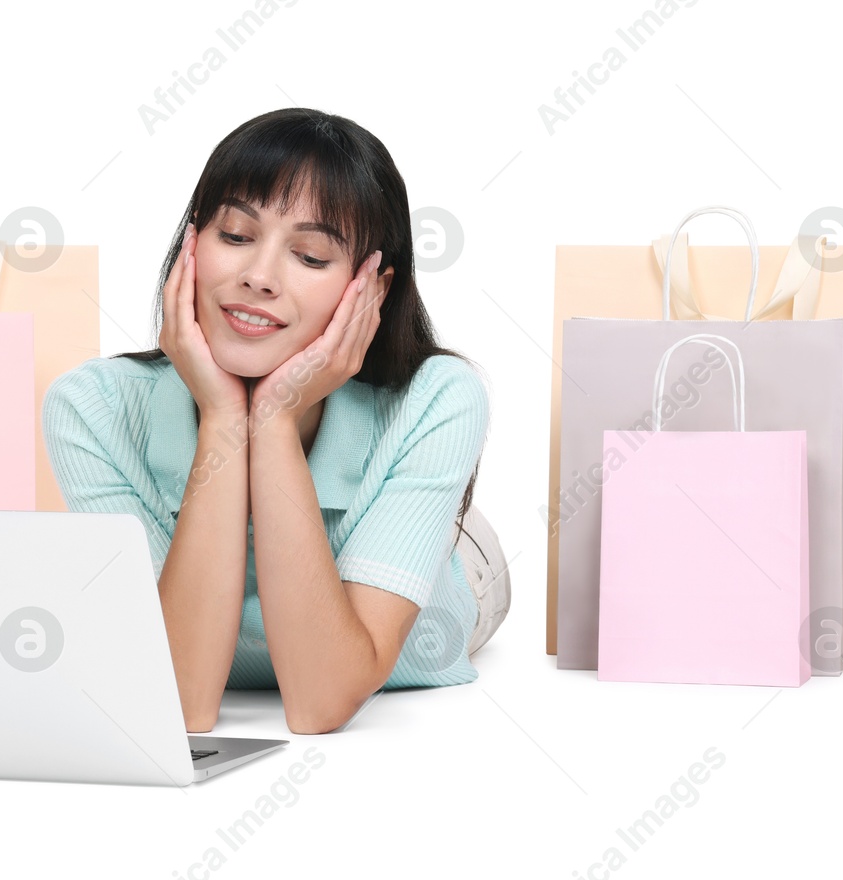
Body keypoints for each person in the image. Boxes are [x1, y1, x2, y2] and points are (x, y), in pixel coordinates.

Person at [42, 107, 500, 735]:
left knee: (434, 535)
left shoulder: (437, 398)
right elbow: (179, 703)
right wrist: (227, 417)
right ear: (190, 246)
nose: (257, 277)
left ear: (372, 289)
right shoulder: (90, 408)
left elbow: (319, 703)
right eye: (234, 236)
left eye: (310, 256)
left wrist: (278, 420)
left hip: (448, 579)